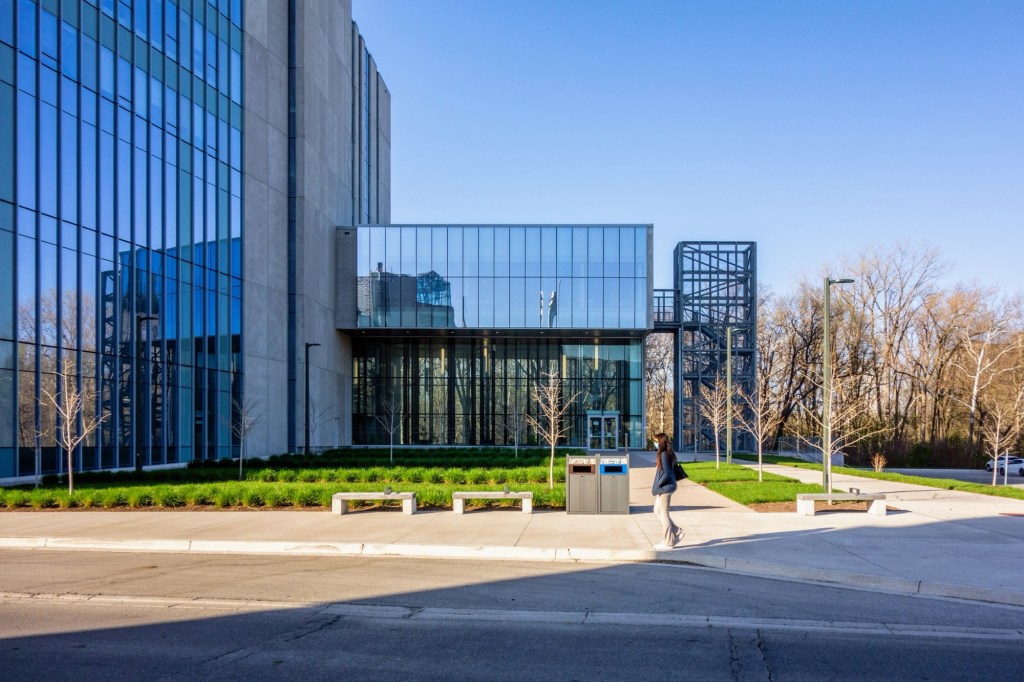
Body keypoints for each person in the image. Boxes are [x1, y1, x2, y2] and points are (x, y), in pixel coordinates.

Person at [651, 432, 683, 550]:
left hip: (666, 487)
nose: (655, 443)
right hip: (668, 486)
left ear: (660, 442)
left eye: (656, 441)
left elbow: (667, 473)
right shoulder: (669, 453)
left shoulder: (664, 454)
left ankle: (668, 542)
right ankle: (676, 530)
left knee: (664, 513)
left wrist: (658, 484)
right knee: (656, 510)